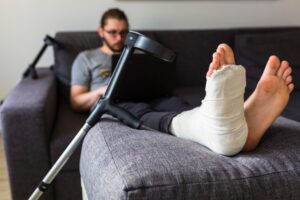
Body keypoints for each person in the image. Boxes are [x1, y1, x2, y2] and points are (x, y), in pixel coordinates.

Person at [70, 8, 294, 156]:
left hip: (156, 95)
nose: (119, 38)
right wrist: (102, 90)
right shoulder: (86, 58)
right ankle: (224, 127)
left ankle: (222, 122)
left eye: (123, 32)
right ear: (101, 31)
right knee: (139, 111)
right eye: (112, 33)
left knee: (176, 104)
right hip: (117, 101)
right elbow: (76, 101)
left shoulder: (137, 53)